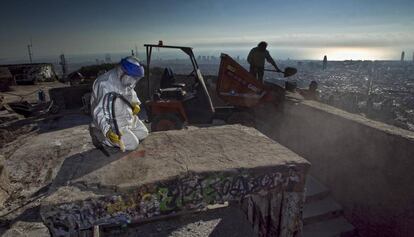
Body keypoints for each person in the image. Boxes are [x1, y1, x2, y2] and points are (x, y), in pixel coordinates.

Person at [89, 56, 149, 152]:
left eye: (136, 78)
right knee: (133, 144)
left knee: (144, 133)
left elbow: (130, 91)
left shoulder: (126, 78)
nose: (133, 81)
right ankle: (102, 137)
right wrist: (107, 131)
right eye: (133, 78)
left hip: (126, 116)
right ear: (122, 71)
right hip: (112, 121)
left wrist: (135, 103)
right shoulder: (104, 84)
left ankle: (126, 132)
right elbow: (99, 112)